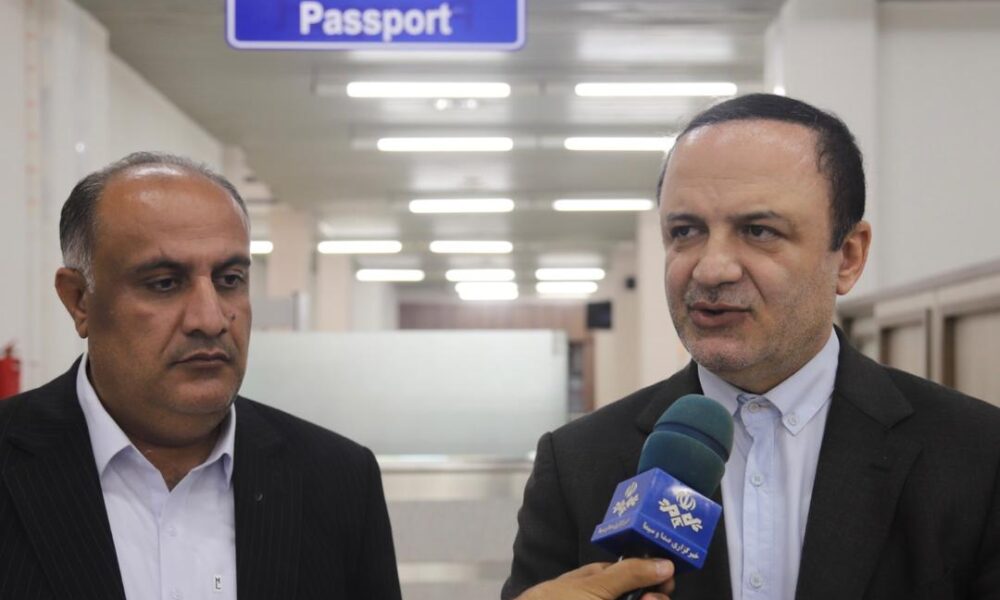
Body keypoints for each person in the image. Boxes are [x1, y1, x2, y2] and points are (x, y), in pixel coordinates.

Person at [503, 94, 1000, 599]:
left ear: (849, 256)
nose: (711, 269)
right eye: (685, 231)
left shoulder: (978, 456)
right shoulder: (576, 464)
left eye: (759, 231)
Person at [0, 152, 402, 600]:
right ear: (79, 300)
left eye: (229, 279)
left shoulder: (337, 480)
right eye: (164, 283)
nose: (211, 320)